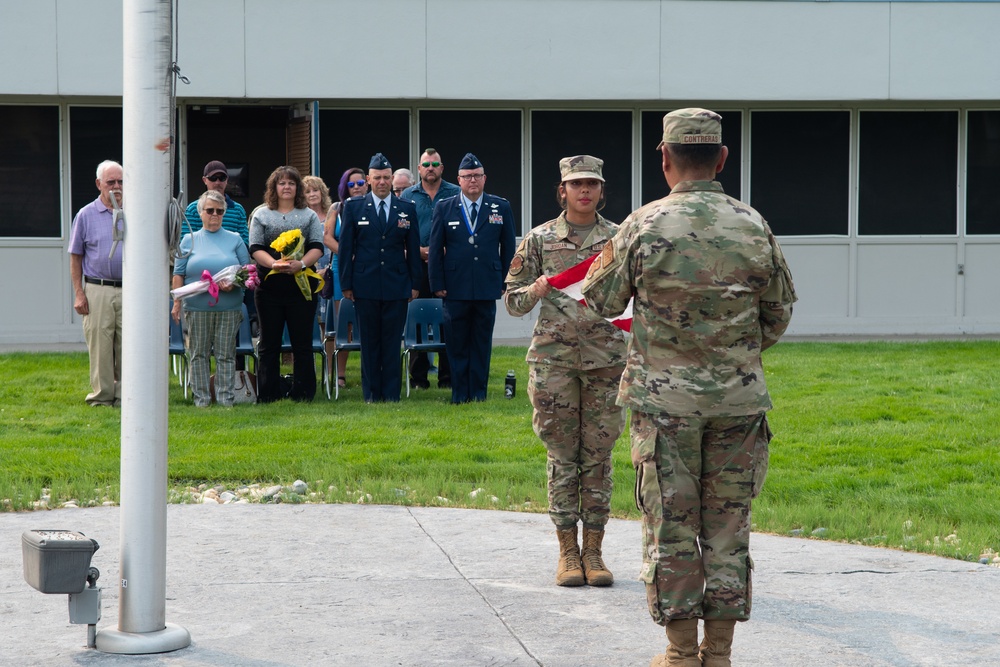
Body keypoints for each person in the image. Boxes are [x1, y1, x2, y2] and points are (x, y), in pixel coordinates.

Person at [580, 109, 797, 667]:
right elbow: (776, 316)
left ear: (665, 158)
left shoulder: (643, 224)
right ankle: (719, 655)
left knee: (672, 526)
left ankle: (679, 655)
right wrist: (729, 355)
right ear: (722, 158)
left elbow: (600, 300)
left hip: (664, 403)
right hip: (738, 402)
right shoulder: (753, 224)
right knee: (728, 526)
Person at [503, 155, 627, 588]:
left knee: (598, 455)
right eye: (576, 184)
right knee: (562, 455)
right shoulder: (538, 240)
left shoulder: (619, 238)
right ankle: (567, 553)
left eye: (592, 183)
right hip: (554, 363)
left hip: (606, 362)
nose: (585, 191)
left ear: (601, 189)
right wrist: (535, 289)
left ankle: (594, 551)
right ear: (563, 191)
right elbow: (512, 302)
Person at [429, 153, 516, 403]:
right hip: (454, 286)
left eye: (477, 176)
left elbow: (508, 249)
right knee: (456, 343)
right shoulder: (445, 207)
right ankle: (459, 395)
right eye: (467, 177)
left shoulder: (501, 206)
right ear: (459, 180)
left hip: (487, 286)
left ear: (485, 178)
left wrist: (505, 282)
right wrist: (437, 284)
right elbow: (435, 249)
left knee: (481, 342)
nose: (473, 181)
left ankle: (478, 394)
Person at [339, 153, 421, 403]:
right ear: (368, 179)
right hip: (365, 285)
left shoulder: (406, 209)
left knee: (391, 342)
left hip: (397, 284)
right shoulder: (354, 207)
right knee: (370, 343)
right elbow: (346, 249)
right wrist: (346, 284)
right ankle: (372, 395)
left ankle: (391, 394)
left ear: (391, 178)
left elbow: (414, 248)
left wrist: (415, 284)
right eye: (377, 178)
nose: (382, 182)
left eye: (386, 177)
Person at [249, 166, 325, 403]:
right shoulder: (261, 214)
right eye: (281, 183)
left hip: (301, 288)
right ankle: (269, 393)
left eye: (291, 183)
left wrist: (300, 264)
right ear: (274, 187)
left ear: (297, 187)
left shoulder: (309, 215)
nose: (286, 187)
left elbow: (317, 247)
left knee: (302, 343)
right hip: (269, 289)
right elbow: (255, 248)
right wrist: (274, 264)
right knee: (269, 343)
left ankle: (303, 393)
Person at [171, 190, 251, 407]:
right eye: (210, 210)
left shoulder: (235, 239)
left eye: (219, 211)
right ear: (201, 213)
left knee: (226, 354)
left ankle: (226, 399)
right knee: (198, 354)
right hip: (197, 307)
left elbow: (248, 271)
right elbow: (178, 274)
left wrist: (234, 282)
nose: (215, 215)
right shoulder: (189, 240)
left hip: (229, 306)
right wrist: (176, 303)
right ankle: (202, 399)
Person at [185, 159, 254, 369]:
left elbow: (244, 242)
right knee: (200, 348)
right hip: (200, 291)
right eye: (213, 178)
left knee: (231, 345)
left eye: (222, 178)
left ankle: (235, 384)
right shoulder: (193, 209)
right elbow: (187, 246)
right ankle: (202, 389)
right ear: (205, 180)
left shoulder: (238, 210)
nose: (218, 182)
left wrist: (231, 276)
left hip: (231, 291)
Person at [401, 148, 460, 389]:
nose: (430, 168)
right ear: (419, 168)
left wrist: (445, 250)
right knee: (416, 321)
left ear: (442, 168)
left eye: (435, 163)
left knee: (449, 320)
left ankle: (447, 378)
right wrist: (417, 251)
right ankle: (418, 379)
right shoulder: (407, 195)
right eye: (426, 164)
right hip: (416, 265)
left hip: (448, 267)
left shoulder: (455, 193)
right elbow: (401, 229)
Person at [68, 160, 124, 407]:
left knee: (129, 344)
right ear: (98, 184)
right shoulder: (85, 215)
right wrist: (79, 293)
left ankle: (126, 396)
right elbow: (75, 256)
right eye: (111, 182)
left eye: (121, 181)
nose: (116, 186)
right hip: (97, 288)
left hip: (130, 290)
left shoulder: (135, 213)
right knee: (100, 345)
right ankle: (102, 397)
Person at [323, 168, 368, 388]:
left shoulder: (372, 206)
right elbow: (327, 238)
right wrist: (348, 252)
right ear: (345, 188)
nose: (357, 187)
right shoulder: (337, 208)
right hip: (343, 267)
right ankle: (338, 374)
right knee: (344, 325)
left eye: (360, 183)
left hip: (369, 268)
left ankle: (369, 371)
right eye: (352, 184)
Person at [303, 174, 335, 335]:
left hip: (329, 274)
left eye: (315, 190)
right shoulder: (302, 218)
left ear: (322, 192)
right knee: (307, 322)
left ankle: (329, 360)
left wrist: (328, 270)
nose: (312, 194)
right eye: (307, 192)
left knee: (328, 325)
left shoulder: (333, 214)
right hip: (308, 274)